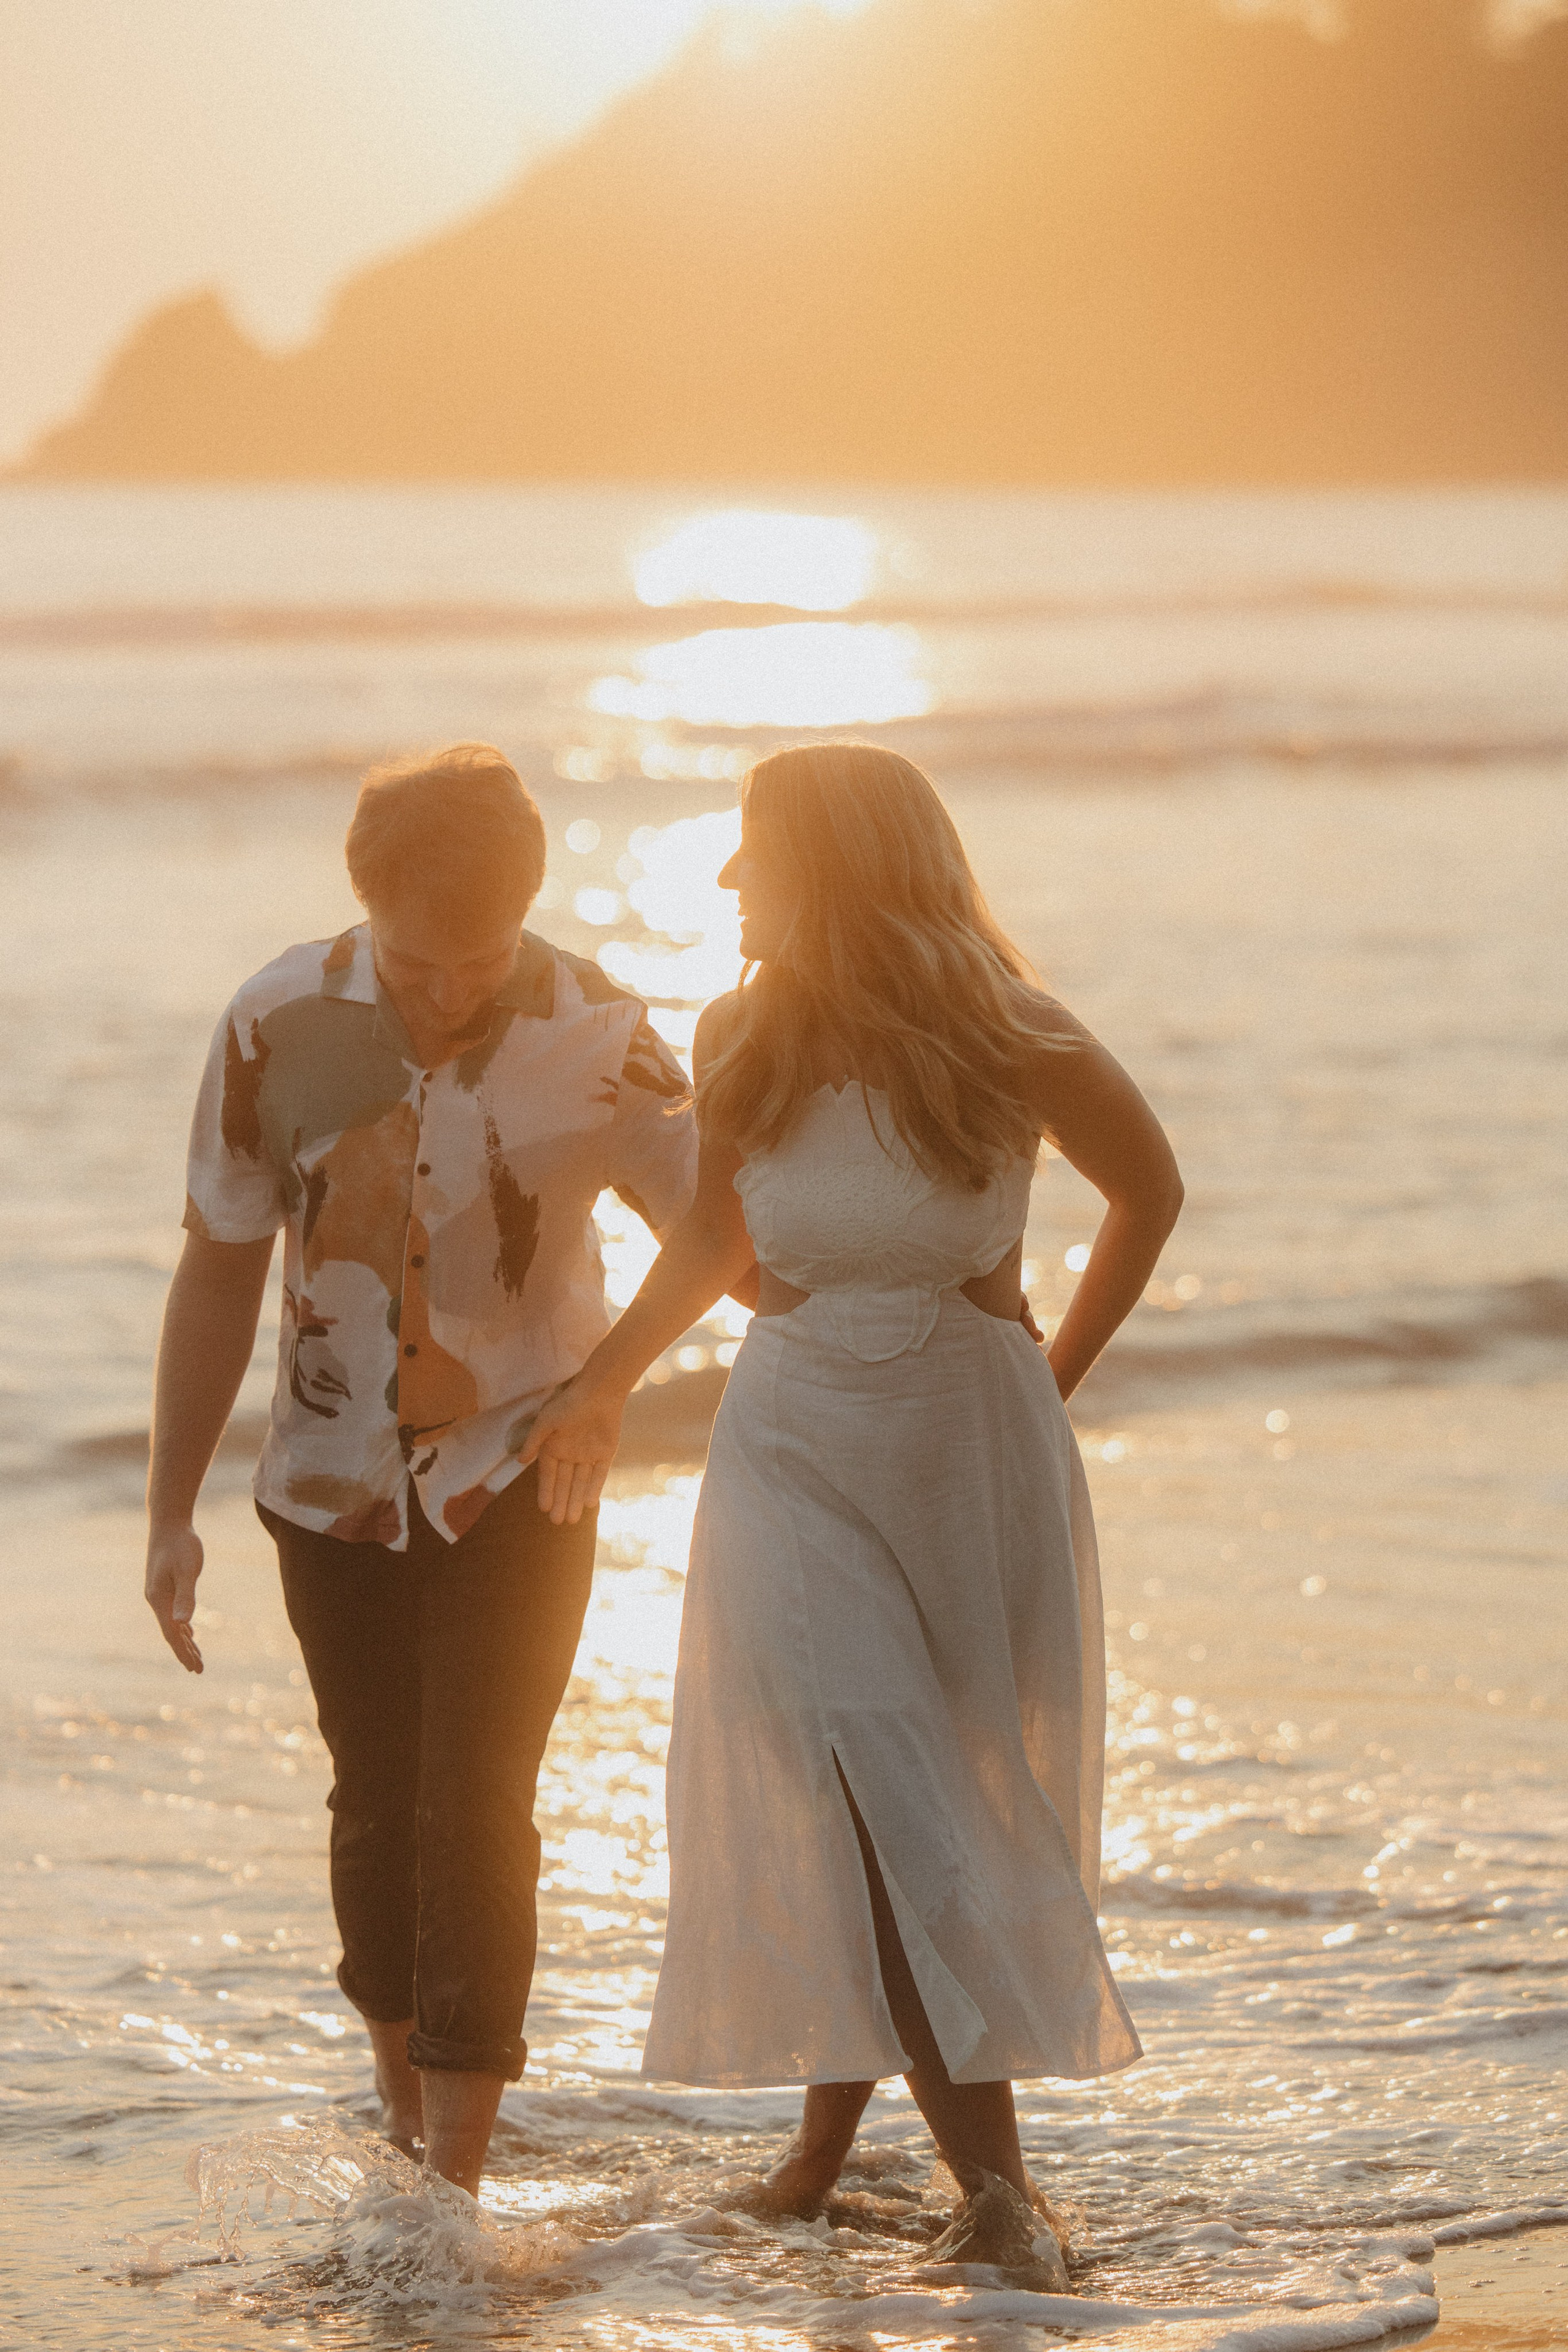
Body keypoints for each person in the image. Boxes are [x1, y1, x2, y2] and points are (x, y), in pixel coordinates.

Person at [521, 742, 1183, 2278]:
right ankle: (996, 2194)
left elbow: (1147, 1191)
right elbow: (709, 1243)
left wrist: (1047, 1373)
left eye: (755, 850)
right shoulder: (741, 1026)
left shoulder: (1017, 1035)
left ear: (826, 865)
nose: (729, 878)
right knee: (859, 1776)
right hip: (793, 1441)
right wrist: (606, 1379)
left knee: (906, 1795)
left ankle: (833, 2159)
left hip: (969, 1448)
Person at [143, 744, 701, 2196]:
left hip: (523, 1475)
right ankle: (399, 2100)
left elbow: (722, 1236)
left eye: (478, 963)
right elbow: (216, 1269)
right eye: (414, 963)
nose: (446, 996)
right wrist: (169, 1511)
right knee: (373, 1797)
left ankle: (454, 2168)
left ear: (529, 909)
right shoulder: (276, 1020)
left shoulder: (600, 1028)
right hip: (324, 1482)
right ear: (362, 905)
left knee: (481, 1798)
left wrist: (607, 1385)